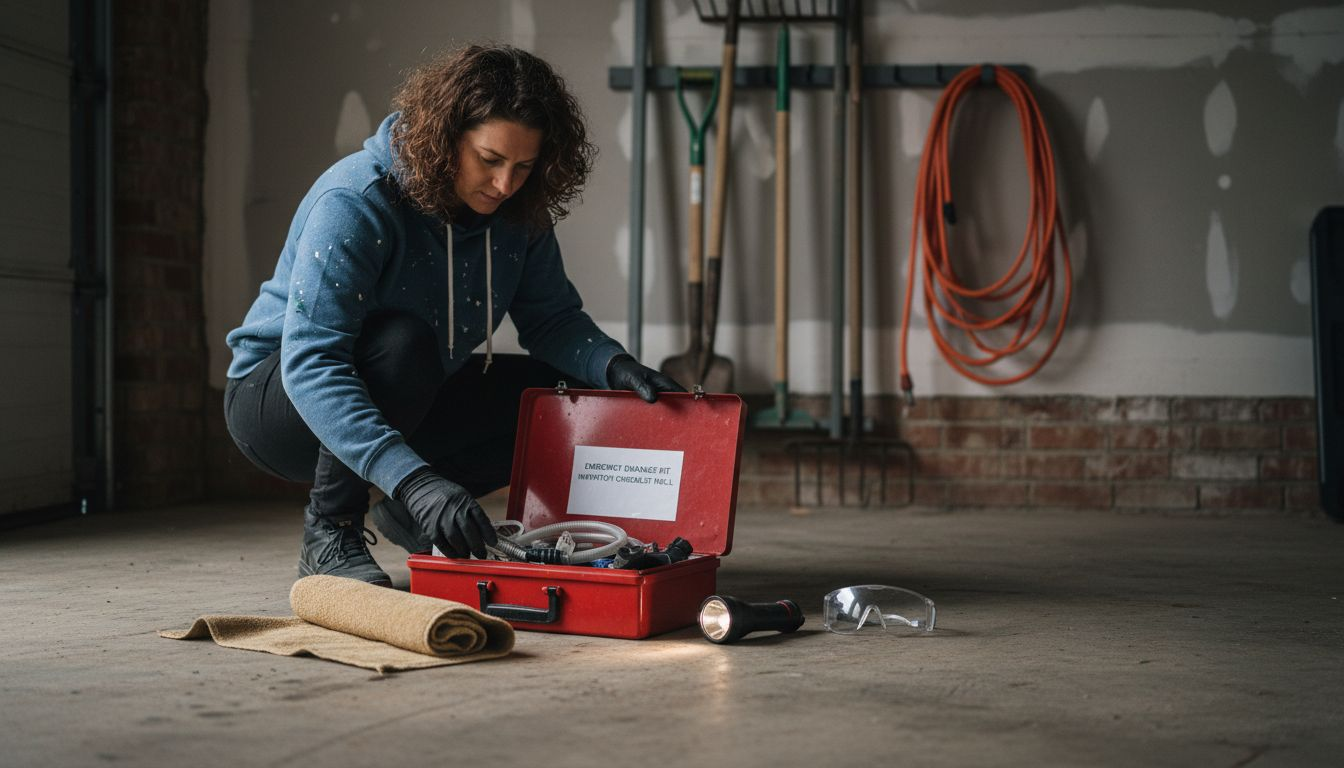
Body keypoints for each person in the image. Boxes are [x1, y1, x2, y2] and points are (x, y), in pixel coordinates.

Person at [223, 44, 682, 586]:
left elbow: (551, 320)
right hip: (279, 404)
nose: (506, 184)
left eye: (524, 166)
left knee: (559, 395)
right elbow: (312, 364)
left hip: (411, 387)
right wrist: (414, 478)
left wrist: (614, 367)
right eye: (490, 160)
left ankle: (413, 511)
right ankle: (330, 530)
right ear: (444, 138)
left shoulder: (517, 212)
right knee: (403, 343)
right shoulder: (356, 198)